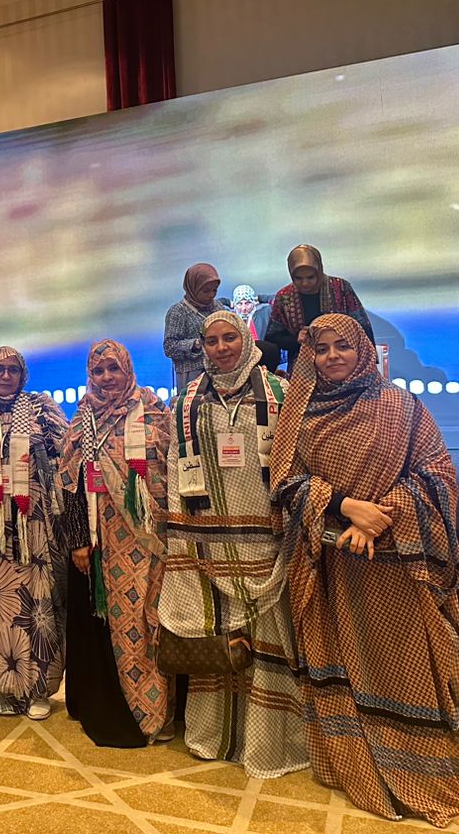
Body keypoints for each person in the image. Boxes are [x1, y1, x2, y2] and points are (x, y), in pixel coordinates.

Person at [270, 314, 459, 827]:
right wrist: (346, 507)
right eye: (322, 349)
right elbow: (286, 483)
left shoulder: (400, 406)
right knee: (339, 662)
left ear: (362, 349)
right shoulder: (301, 414)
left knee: (405, 663)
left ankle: (419, 769)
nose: (331, 356)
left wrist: (382, 517)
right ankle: (353, 763)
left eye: (342, 346)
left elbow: (438, 474)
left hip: (395, 569)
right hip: (332, 568)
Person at [163, 312, 307, 778]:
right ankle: (216, 737)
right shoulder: (186, 401)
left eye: (230, 338)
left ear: (246, 340)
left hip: (266, 545)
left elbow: (297, 463)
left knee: (269, 645)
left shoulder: (280, 393)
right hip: (209, 545)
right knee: (219, 646)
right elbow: (175, 469)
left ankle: (268, 744)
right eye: (212, 340)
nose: (221, 348)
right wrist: (181, 537)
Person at [57, 340, 172, 747]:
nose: (106, 378)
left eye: (113, 369)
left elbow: (172, 471)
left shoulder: (154, 411)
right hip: (100, 545)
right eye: (98, 371)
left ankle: (154, 712)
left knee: (147, 622)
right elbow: (70, 485)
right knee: (110, 626)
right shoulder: (83, 420)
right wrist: (78, 542)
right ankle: (117, 709)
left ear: (128, 369)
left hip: (149, 543)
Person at [0, 346, 69, 720]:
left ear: (23, 375)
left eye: (13, 370)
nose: (6, 376)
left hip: (33, 525)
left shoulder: (41, 408)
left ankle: (37, 691)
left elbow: (65, 453)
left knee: (35, 605)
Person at [265, 245, 373, 367]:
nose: (305, 283)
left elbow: (362, 326)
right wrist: (296, 339)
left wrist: (368, 362)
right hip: (302, 368)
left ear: (319, 271)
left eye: (310, 277)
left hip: (342, 363)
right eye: (298, 278)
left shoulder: (340, 288)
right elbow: (272, 337)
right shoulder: (284, 296)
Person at [164, 263, 228, 390]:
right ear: (193, 288)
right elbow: (169, 347)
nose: (211, 295)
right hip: (193, 376)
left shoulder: (218, 307)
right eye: (206, 291)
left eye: (214, 290)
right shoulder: (178, 312)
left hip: (220, 370)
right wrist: (196, 344)